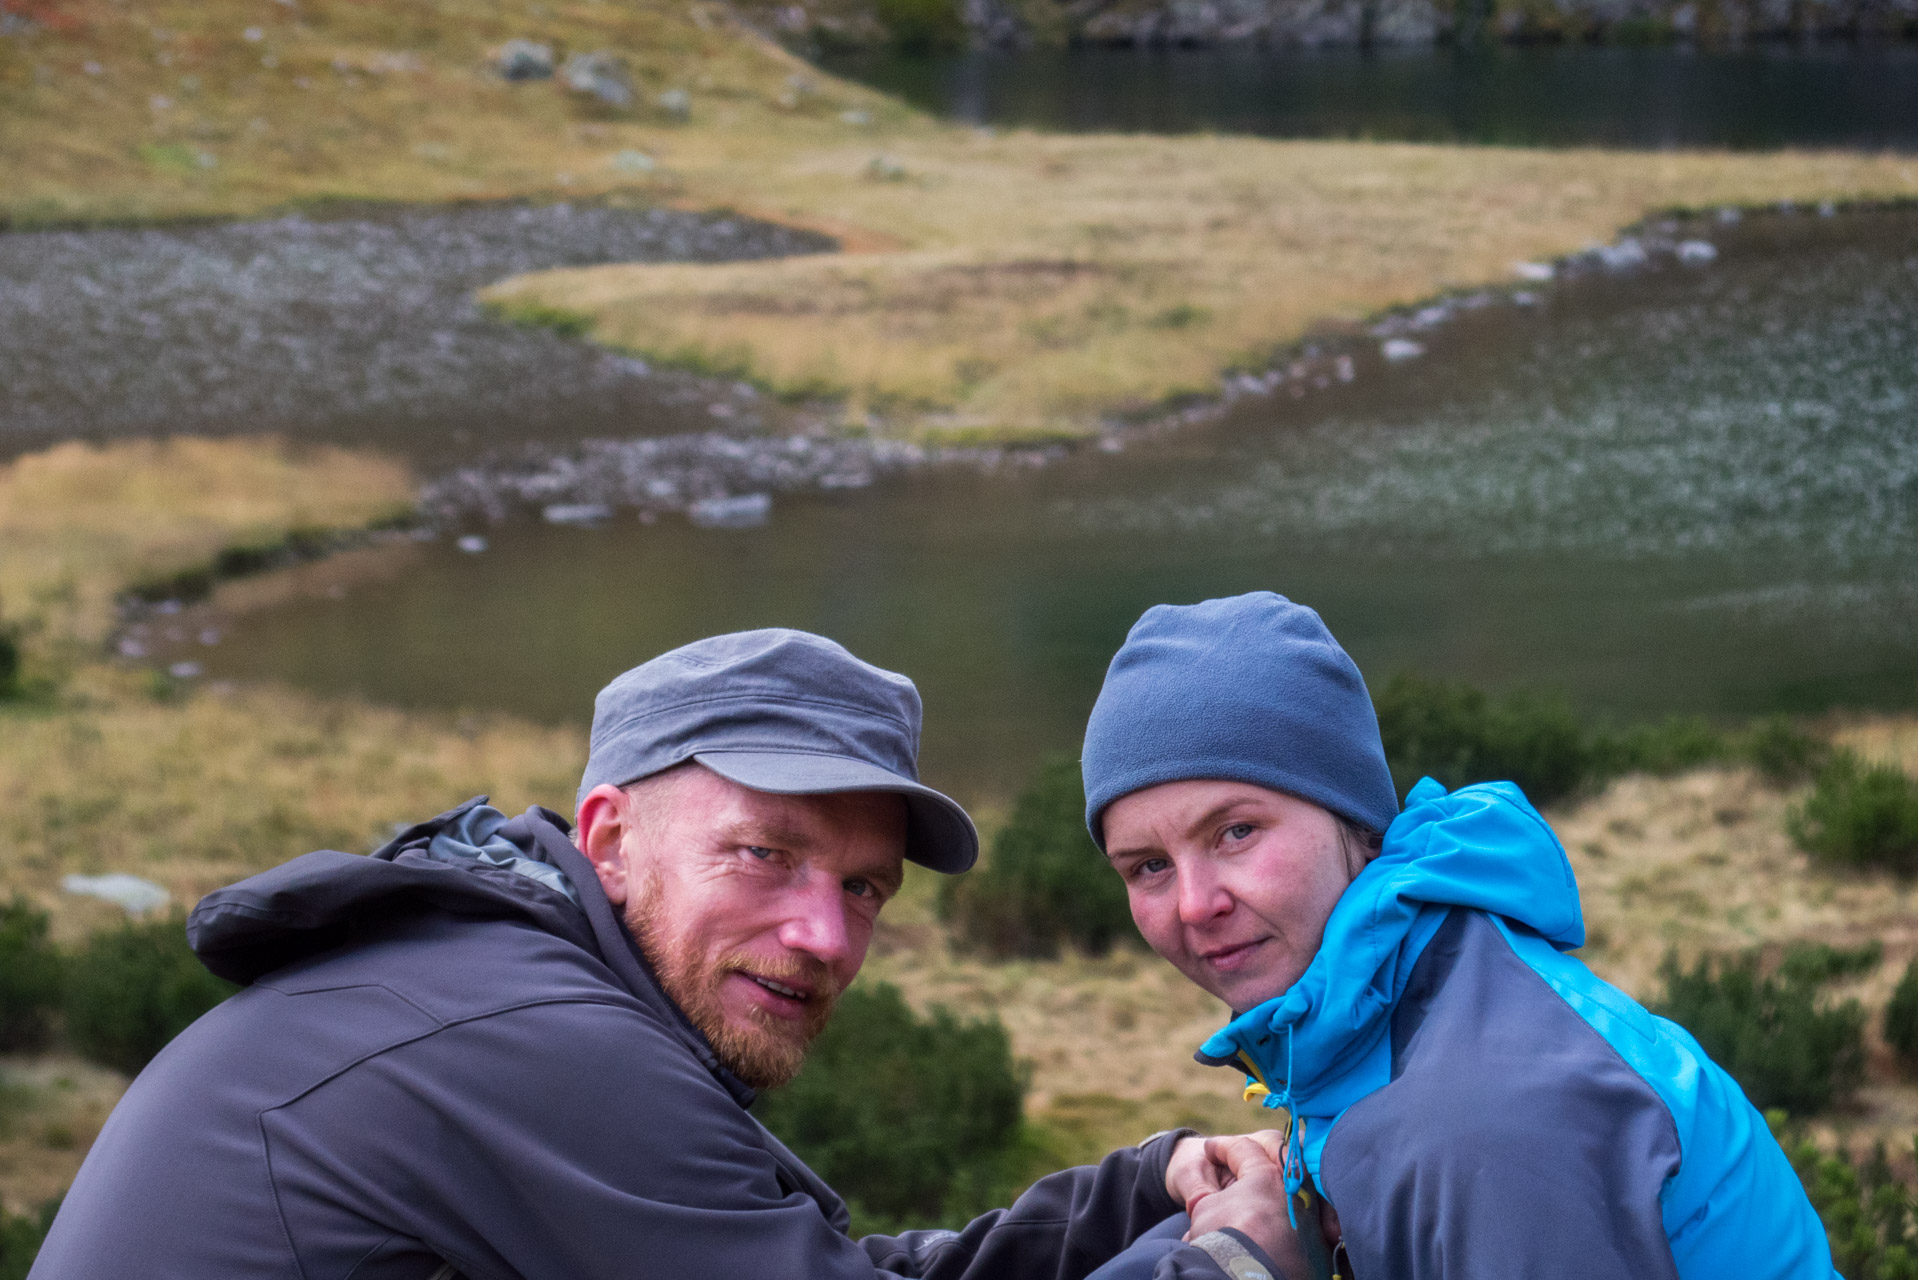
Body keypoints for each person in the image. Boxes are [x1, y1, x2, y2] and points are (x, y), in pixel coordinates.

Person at [31, 627, 1300, 1280]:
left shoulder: (491, 975)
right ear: (608, 834)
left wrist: (1140, 1188)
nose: (822, 933)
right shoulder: (531, 1042)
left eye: (862, 885)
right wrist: (1236, 1263)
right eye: (762, 852)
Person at [1076, 592, 1836, 1280]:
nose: (1193, 904)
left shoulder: (1484, 1122)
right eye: (1147, 867)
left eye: (1236, 831)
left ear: (1353, 819)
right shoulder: (1399, 1010)